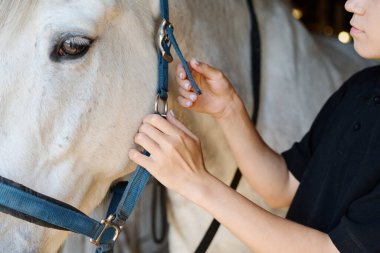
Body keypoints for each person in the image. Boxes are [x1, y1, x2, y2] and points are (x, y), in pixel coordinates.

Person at [128, 0, 380, 252]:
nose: (351, 4)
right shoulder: (362, 87)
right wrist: (229, 110)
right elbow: (282, 186)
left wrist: (195, 182)